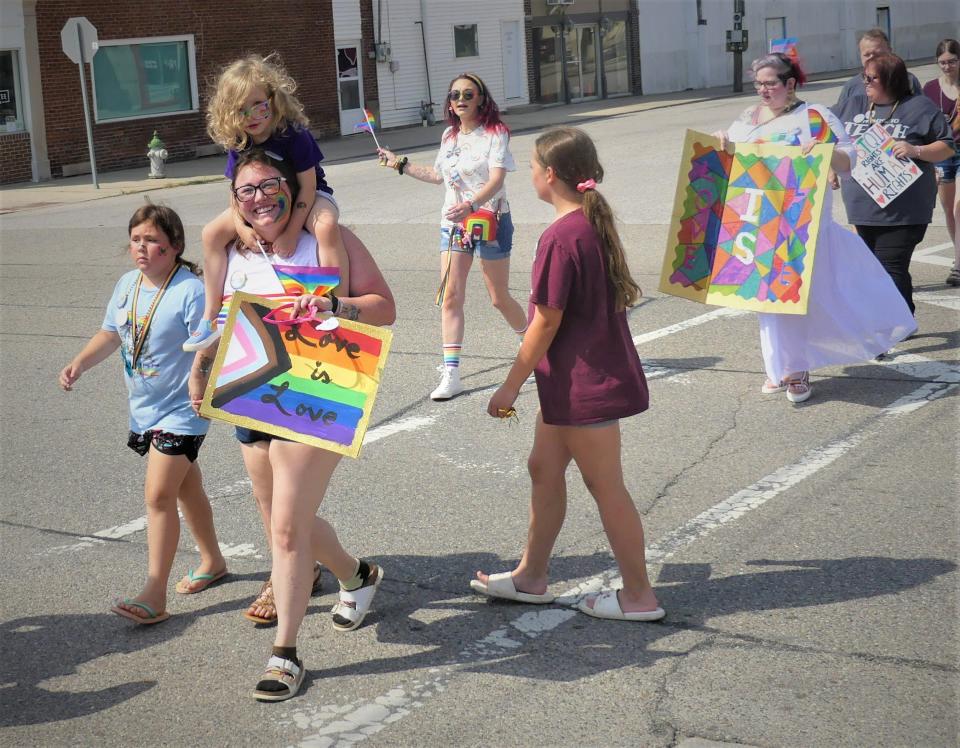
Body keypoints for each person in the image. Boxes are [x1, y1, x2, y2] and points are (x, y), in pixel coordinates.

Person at [191, 149, 395, 702]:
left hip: (317, 392)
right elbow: (216, 319)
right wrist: (198, 368)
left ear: (293, 188)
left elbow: (384, 306)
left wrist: (335, 305)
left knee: (284, 528)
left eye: (269, 185)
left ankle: (285, 655)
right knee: (290, 522)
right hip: (249, 397)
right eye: (246, 190)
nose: (259, 198)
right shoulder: (232, 249)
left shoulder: (328, 238)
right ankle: (358, 576)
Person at [473, 127, 664, 623]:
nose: (529, 173)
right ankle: (531, 576)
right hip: (572, 382)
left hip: (584, 386)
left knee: (607, 487)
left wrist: (510, 385)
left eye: (533, 166)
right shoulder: (586, 222)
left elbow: (546, 319)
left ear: (550, 174)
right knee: (544, 467)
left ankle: (640, 595)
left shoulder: (562, 235)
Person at [713, 53, 916, 402]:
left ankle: (796, 368)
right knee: (766, 299)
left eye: (770, 83)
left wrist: (824, 151)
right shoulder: (749, 117)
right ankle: (779, 366)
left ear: (790, 83)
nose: (763, 90)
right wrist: (722, 143)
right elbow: (733, 161)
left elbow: (848, 159)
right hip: (759, 222)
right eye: (758, 84)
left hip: (800, 226)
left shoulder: (813, 116)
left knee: (794, 297)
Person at [59, 204, 227, 625]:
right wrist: (80, 362)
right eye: (136, 239)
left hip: (183, 410)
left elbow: (210, 342)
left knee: (158, 495)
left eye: (152, 240)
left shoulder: (189, 289)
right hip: (145, 409)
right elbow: (111, 333)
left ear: (174, 246)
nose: (142, 247)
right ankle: (212, 560)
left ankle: (154, 592)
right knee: (187, 488)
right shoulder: (127, 285)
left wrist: (198, 379)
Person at [376, 72, 527, 401]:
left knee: (498, 297)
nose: (460, 99)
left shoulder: (495, 133)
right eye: (455, 94)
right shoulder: (449, 135)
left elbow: (498, 179)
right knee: (450, 296)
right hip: (455, 225)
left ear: (481, 99)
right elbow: (436, 175)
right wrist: (399, 163)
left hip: (491, 220)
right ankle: (452, 374)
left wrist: (471, 204)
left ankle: (532, 342)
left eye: (468, 94)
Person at [183, 53, 349, 352]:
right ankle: (209, 317)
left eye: (259, 105)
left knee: (326, 227)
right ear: (229, 114)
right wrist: (242, 228)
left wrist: (290, 232)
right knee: (210, 234)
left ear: (273, 99)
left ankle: (336, 306)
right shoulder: (239, 142)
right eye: (241, 110)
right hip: (260, 198)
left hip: (307, 197)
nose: (253, 116)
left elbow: (308, 187)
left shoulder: (294, 134)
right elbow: (236, 193)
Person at [835, 53, 956, 315]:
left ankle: (893, 322)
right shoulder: (852, 105)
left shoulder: (920, 107)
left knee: (890, 264)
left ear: (891, 79)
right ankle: (902, 312)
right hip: (861, 209)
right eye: (863, 76)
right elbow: (826, 135)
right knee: (874, 266)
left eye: (871, 77)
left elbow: (946, 147)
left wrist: (916, 150)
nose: (864, 81)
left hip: (905, 211)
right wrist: (831, 165)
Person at [922, 39, 960, 286]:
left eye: (952, 61)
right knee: (948, 210)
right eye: (943, 62)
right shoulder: (930, 88)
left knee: (959, 206)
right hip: (943, 152)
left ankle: (958, 265)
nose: (947, 67)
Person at [834, 28, 921, 109]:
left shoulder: (908, 80)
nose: (872, 58)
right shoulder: (851, 86)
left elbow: (920, 111)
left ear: (890, 51)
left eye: (878, 54)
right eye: (867, 55)